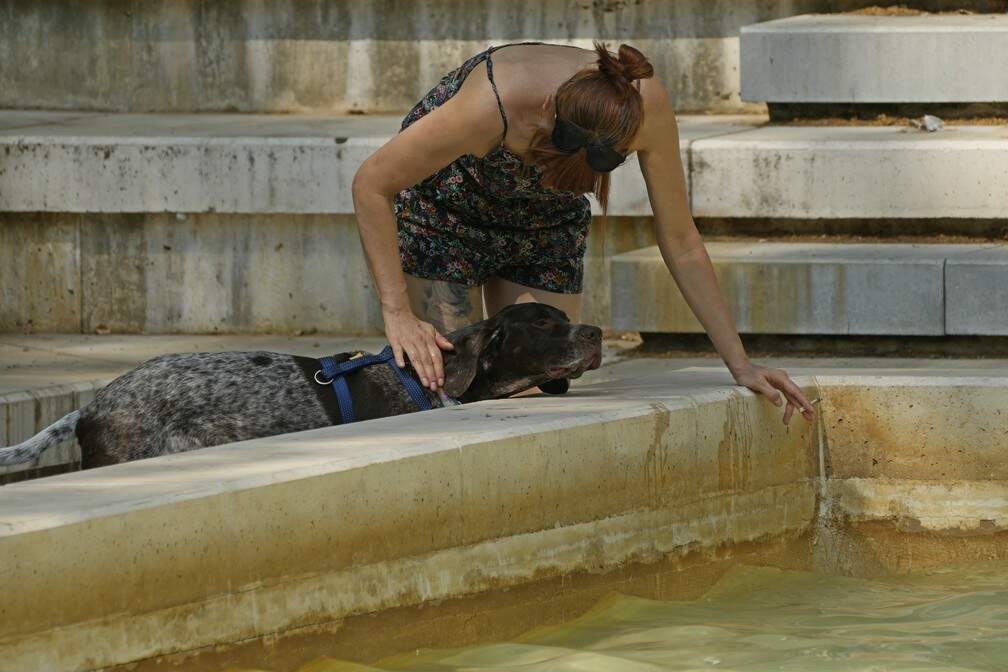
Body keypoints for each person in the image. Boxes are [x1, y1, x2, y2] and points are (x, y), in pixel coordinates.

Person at [351, 41, 815, 424]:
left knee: (532, 383)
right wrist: (397, 312)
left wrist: (740, 363)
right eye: (544, 162)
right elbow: (371, 184)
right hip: (446, 216)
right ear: (550, 109)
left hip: (543, 226)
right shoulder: (489, 106)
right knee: (451, 388)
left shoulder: (643, 107)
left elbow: (681, 240)